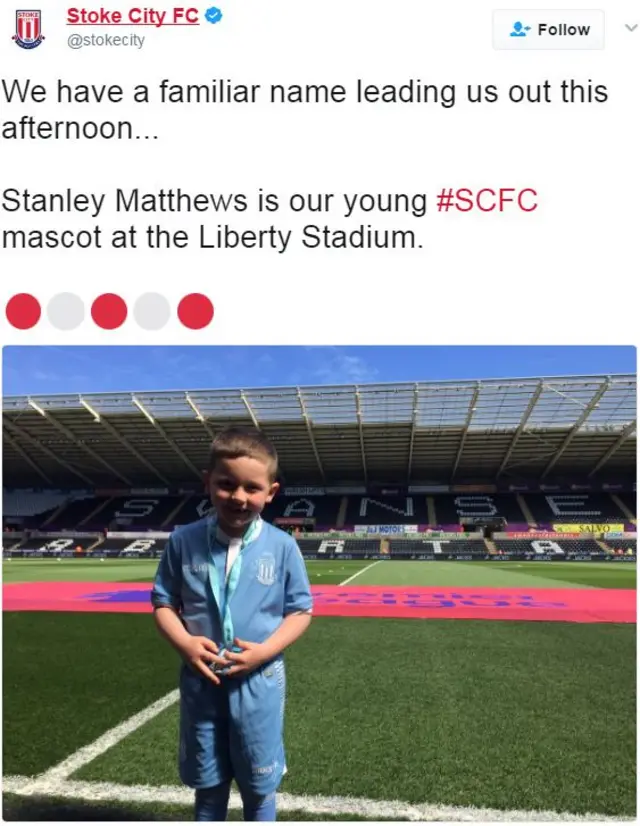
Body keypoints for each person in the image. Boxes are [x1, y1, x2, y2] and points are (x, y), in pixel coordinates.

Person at [151, 426, 313, 821]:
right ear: (208, 483)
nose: (239, 497)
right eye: (226, 484)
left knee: (259, 791)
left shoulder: (282, 546)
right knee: (208, 788)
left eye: (252, 489)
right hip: (201, 681)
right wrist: (186, 645)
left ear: (270, 492)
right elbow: (162, 602)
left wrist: (263, 653)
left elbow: (300, 611)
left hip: (259, 683)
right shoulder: (183, 541)